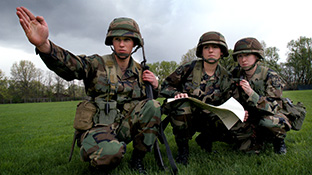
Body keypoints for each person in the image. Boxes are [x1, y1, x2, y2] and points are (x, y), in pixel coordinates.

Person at [16, 6, 161, 174]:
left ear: (135, 43)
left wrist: (155, 86)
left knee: (154, 105)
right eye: (117, 39)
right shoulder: (96, 63)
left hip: (124, 127)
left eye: (127, 40)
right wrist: (45, 46)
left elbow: (148, 107)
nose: (122, 44)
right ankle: (102, 156)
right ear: (111, 42)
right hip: (98, 127)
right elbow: (72, 66)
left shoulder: (141, 72)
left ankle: (137, 160)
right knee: (110, 153)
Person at [160, 31, 236, 165]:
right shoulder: (189, 68)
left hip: (210, 117)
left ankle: (206, 139)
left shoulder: (226, 77)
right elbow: (166, 86)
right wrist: (176, 94)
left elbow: (229, 101)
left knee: (234, 120)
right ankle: (183, 150)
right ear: (201, 51)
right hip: (188, 116)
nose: (211, 51)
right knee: (182, 107)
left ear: (222, 52)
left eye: (215, 47)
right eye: (206, 47)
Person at [231, 37, 291, 154]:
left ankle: (278, 140)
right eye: (240, 56)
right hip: (248, 115)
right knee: (246, 149)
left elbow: (274, 107)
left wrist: (251, 94)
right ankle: (254, 138)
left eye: (247, 55)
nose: (243, 60)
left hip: (268, 114)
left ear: (257, 56)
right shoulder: (235, 74)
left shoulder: (270, 75)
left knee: (268, 122)